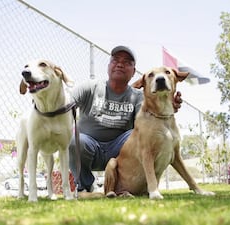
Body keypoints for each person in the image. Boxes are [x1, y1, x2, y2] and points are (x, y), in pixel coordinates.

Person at [69, 45, 182, 192]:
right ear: (109, 66)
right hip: (90, 148)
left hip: (121, 152)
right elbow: (66, 104)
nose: (120, 64)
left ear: (134, 71)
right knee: (74, 140)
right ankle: (85, 186)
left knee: (142, 133)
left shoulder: (138, 96)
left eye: (127, 62)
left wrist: (167, 103)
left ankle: (139, 186)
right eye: (115, 60)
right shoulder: (90, 87)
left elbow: (149, 120)